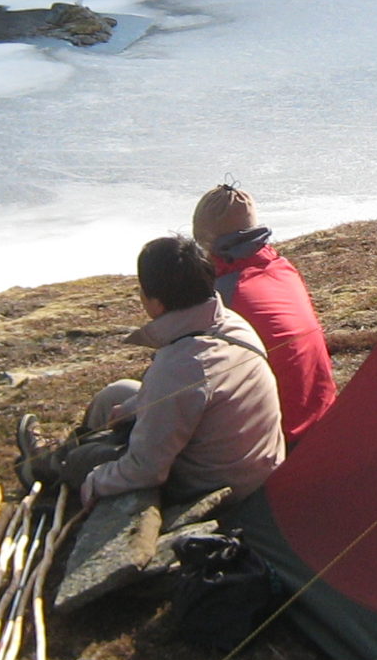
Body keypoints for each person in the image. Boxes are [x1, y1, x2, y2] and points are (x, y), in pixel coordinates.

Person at [28, 234, 286, 508]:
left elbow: (145, 469)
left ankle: (53, 477)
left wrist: (92, 481)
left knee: (85, 459)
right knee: (116, 395)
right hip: (249, 466)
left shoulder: (182, 365)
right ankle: (53, 461)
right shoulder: (228, 323)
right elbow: (191, 399)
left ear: (158, 303)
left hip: (213, 489)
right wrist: (135, 406)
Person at [191, 184, 338, 442]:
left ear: (206, 240)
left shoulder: (225, 293)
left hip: (279, 437)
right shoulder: (282, 268)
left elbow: (192, 375)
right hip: (323, 419)